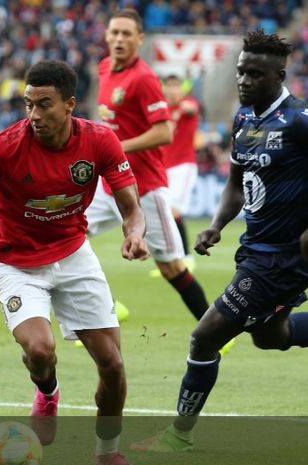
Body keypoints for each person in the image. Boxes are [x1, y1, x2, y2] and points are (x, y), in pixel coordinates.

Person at [0, 60, 150, 465]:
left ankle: (107, 453)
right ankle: (48, 392)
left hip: (73, 254)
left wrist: (134, 234)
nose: (33, 115)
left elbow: (131, 208)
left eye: (44, 105)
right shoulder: (4, 147)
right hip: (17, 262)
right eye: (28, 104)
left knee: (113, 364)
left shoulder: (100, 141)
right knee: (39, 349)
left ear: (70, 105)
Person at [132, 29, 308, 453]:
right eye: (240, 72)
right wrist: (216, 225)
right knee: (270, 335)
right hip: (255, 248)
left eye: (254, 74)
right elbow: (234, 182)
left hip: (282, 259)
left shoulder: (299, 121)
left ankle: (178, 435)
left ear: (279, 75)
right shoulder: (244, 118)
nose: (244, 81)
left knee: (205, 336)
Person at [89, 9, 212, 331]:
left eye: (126, 34)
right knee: (65, 236)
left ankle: (215, 330)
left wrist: (116, 148)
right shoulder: (104, 69)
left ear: (139, 40)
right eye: (114, 32)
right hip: (108, 186)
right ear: (106, 35)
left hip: (143, 188)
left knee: (172, 267)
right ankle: (105, 307)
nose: (119, 39)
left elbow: (164, 133)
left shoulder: (143, 78)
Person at [160, 74, 202, 270]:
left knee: (173, 211)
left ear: (182, 89)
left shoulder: (188, 104)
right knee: (165, 213)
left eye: (176, 86)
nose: (172, 90)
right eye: (169, 86)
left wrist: (183, 107)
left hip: (183, 167)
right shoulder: (163, 110)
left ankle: (187, 258)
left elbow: (191, 109)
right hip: (164, 167)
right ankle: (175, 259)